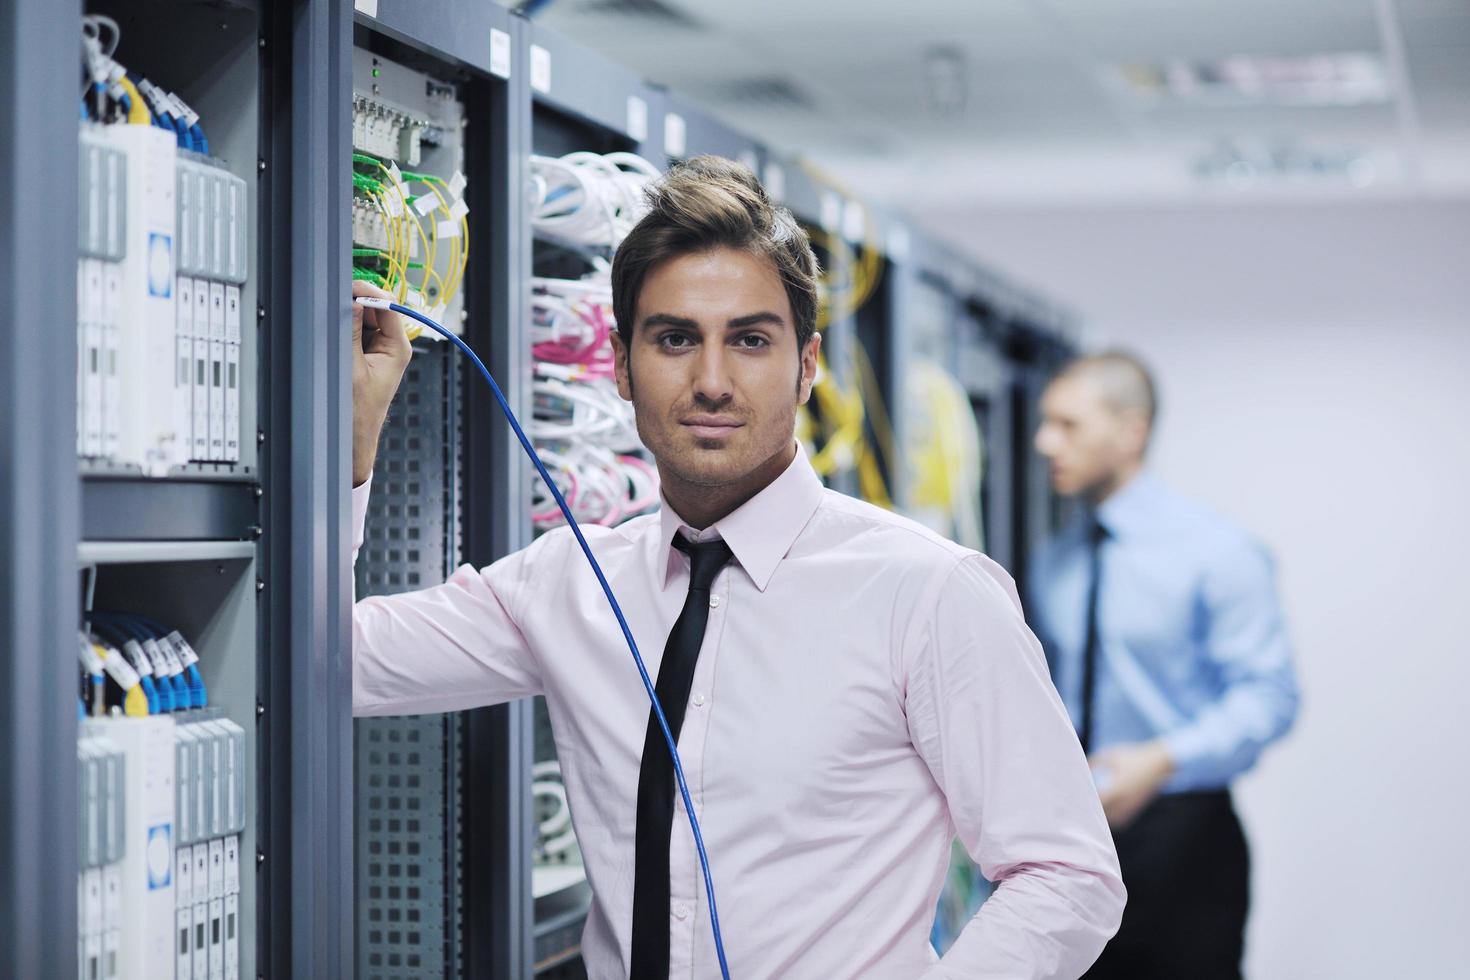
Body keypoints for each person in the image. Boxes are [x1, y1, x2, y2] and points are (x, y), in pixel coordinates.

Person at [350, 156, 1124, 979]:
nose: (711, 381)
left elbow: (1067, 876)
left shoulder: (926, 593)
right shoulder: (567, 583)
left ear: (807, 365)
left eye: (750, 340)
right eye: (675, 338)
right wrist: (353, 449)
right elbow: (334, 663)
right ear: (620, 364)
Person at [1028, 352, 1300, 980]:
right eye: (1046, 423)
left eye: (1069, 425)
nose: (1046, 442)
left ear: (1132, 432)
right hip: (1075, 839)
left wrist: (1163, 758)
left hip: (1183, 843)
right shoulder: (1055, 561)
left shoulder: (1216, 552)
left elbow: (1270, 695)